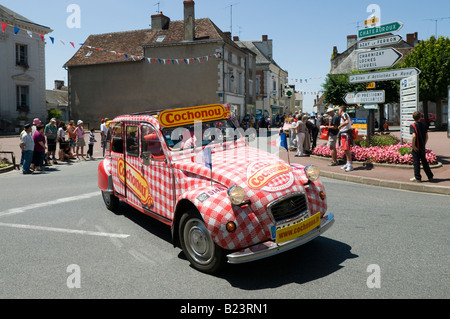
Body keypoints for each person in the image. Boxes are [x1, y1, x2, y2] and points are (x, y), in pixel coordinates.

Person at [410, 111, 434, 183]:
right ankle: (430, 176)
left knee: (416, 162)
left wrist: (413, 146)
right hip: (422, 146)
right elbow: (427, 136)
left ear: (413, 118)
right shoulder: (424, 125)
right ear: (420, 117)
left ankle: (417, 177)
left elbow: (414, 136)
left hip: (416, 146)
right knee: (424, 162)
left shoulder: (413, 125)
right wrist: (424, 144)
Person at [338, 106, 354, 172]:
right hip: (344, 134)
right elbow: (350, 122)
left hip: (345, 134)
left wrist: (340, 126)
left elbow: (347, 122)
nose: (338, 111)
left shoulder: (344, 114)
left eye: (339, 109)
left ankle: (350, 165)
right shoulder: (346, 115)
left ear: (341, 110)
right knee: (345, 149)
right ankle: (348, 163)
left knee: (347, 150)